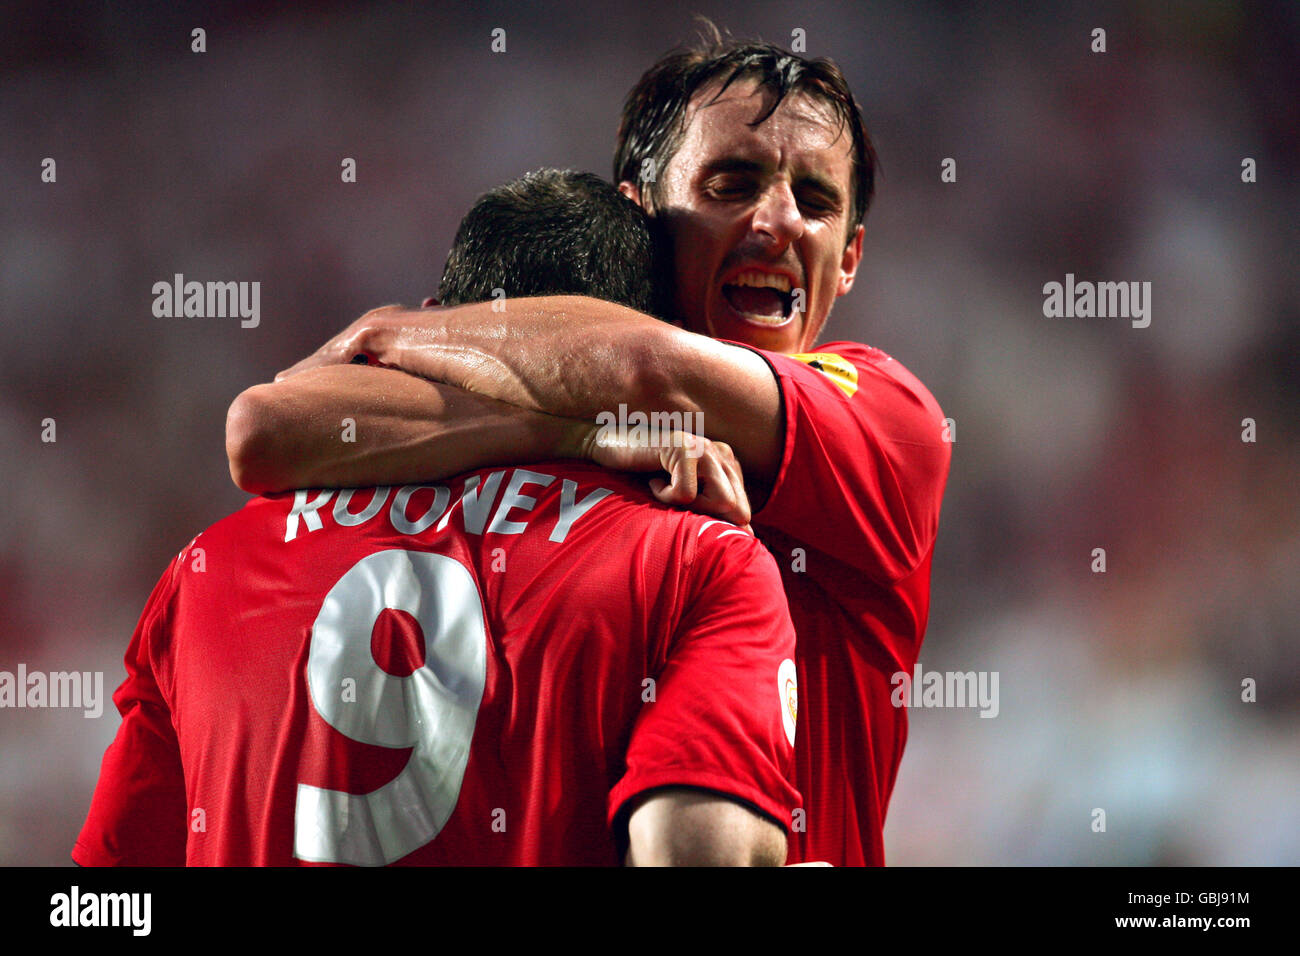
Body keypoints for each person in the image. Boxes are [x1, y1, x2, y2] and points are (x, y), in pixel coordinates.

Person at [227, 27, 952, 867]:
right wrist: (567, 430)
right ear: (642, 211)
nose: (782, 221)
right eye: (733, 183)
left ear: (850, 257)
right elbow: (266, 430)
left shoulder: (884, 413)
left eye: (819, 203)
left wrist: (404, 332)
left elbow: (648, 368)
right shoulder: (546, 384)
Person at [74, 169, 801, 867]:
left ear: (434, 327)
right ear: (657, 346)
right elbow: (693, 855)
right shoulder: (701, 561)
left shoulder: (208, 568)